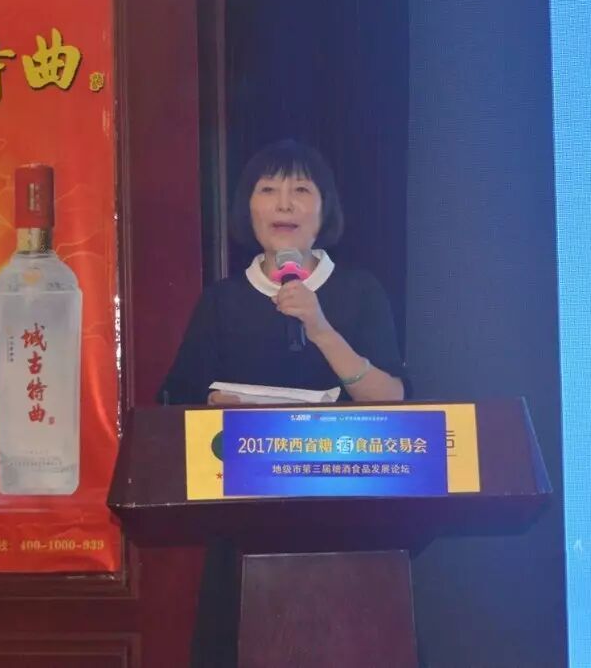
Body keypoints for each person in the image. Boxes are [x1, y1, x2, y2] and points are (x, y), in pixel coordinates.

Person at [158, 138, 407, 666]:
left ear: (325, 209)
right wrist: (216, 404)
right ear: (247, 208)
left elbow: (395, 399)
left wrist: (319, 327)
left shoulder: (360, 292)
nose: (284, 203)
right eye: (268, 190)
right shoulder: (222, 301)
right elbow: (177, 402)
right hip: (244, 521)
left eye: (301, 190)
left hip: (348, 515)